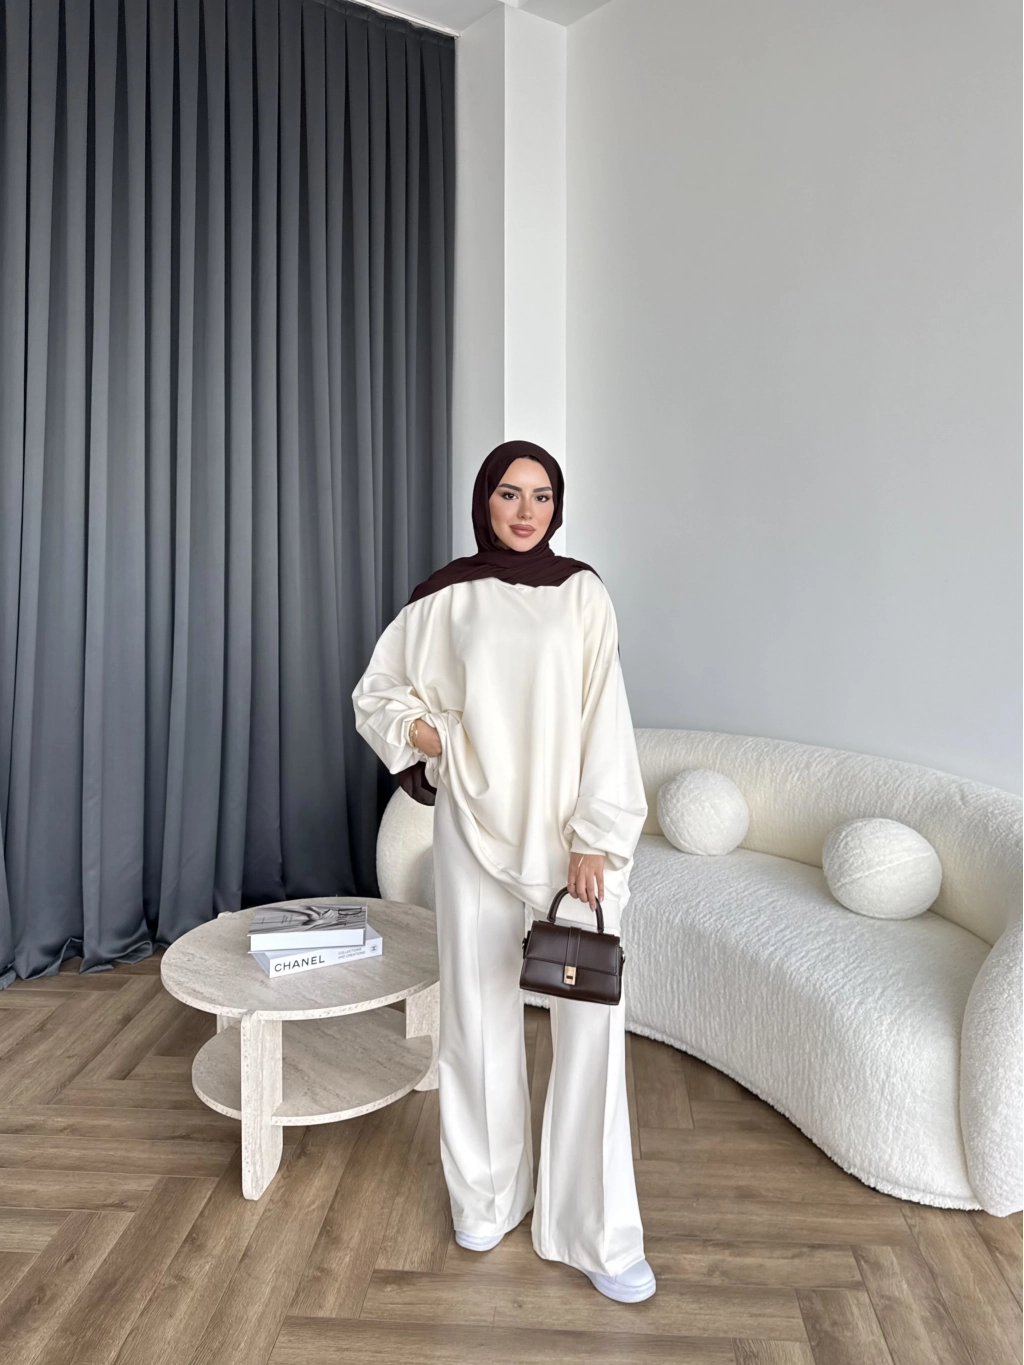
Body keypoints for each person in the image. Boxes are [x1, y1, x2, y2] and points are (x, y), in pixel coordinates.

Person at [351, 440, 654, 1303]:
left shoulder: (583, 592)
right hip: (473, 828)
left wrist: (596, 835)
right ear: (484, 500)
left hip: (571, 843)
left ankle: (597, 1230)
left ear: (559, 506)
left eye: (542, 495)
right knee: (478, 1014)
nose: (526, 511)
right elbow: (378, 693)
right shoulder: (447, 597)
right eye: (510, 494)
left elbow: (605, 717)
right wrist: (435, 737)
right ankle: (484, 1194)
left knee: (591, 1024)